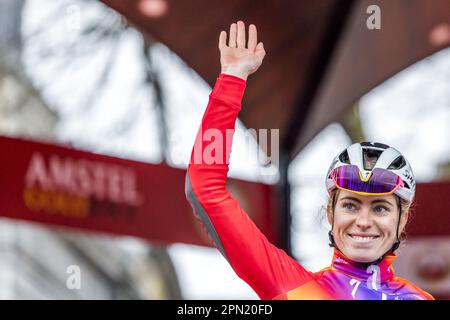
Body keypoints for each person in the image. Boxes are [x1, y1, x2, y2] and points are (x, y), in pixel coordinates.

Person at [185, 21, 434, 300]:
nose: (363, 221)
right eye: (351, 205)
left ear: (402, 220)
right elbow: (204, 188)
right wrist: (231, 80)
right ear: (330, 213)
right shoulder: (300, 291)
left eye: (380, 208)